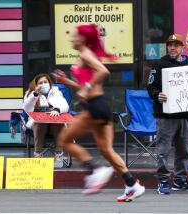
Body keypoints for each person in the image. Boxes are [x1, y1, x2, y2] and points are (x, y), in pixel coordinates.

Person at [52, 24, 145, 202]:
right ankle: (132, 185)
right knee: (106, 150)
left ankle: (95, 170)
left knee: (63, 140)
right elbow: (86, 86)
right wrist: (68, 82)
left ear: (83, 39)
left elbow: (103, 71)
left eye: (75, 35)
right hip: (101, 106)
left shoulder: (86, 53)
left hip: (95, 107)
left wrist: (86, 89)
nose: (72, 38)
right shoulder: (84, 55)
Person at [147, 34, 188, 195]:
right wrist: (157, 94)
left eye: (176, 45)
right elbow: (150, 86)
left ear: (182, 48)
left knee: (184, 150)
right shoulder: (159, 64)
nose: (172, 48)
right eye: (170, 45)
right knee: (163, 150)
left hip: (187, 115)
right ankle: (163, 180)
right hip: (166, 116)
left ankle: (180, 180)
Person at [23, 73, 69, 160]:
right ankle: (38, 153)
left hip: (53, 124)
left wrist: (57, 110)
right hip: (37, 125)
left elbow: (65, 105)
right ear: (36, 85)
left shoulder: (56, 92)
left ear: (49, 83)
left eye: (45, 82)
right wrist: (35, 95)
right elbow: (27, 108)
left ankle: (59, 153)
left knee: (58, 121)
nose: (43, 84)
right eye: (40, 83)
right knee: (40, 122)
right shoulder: (30, 93)